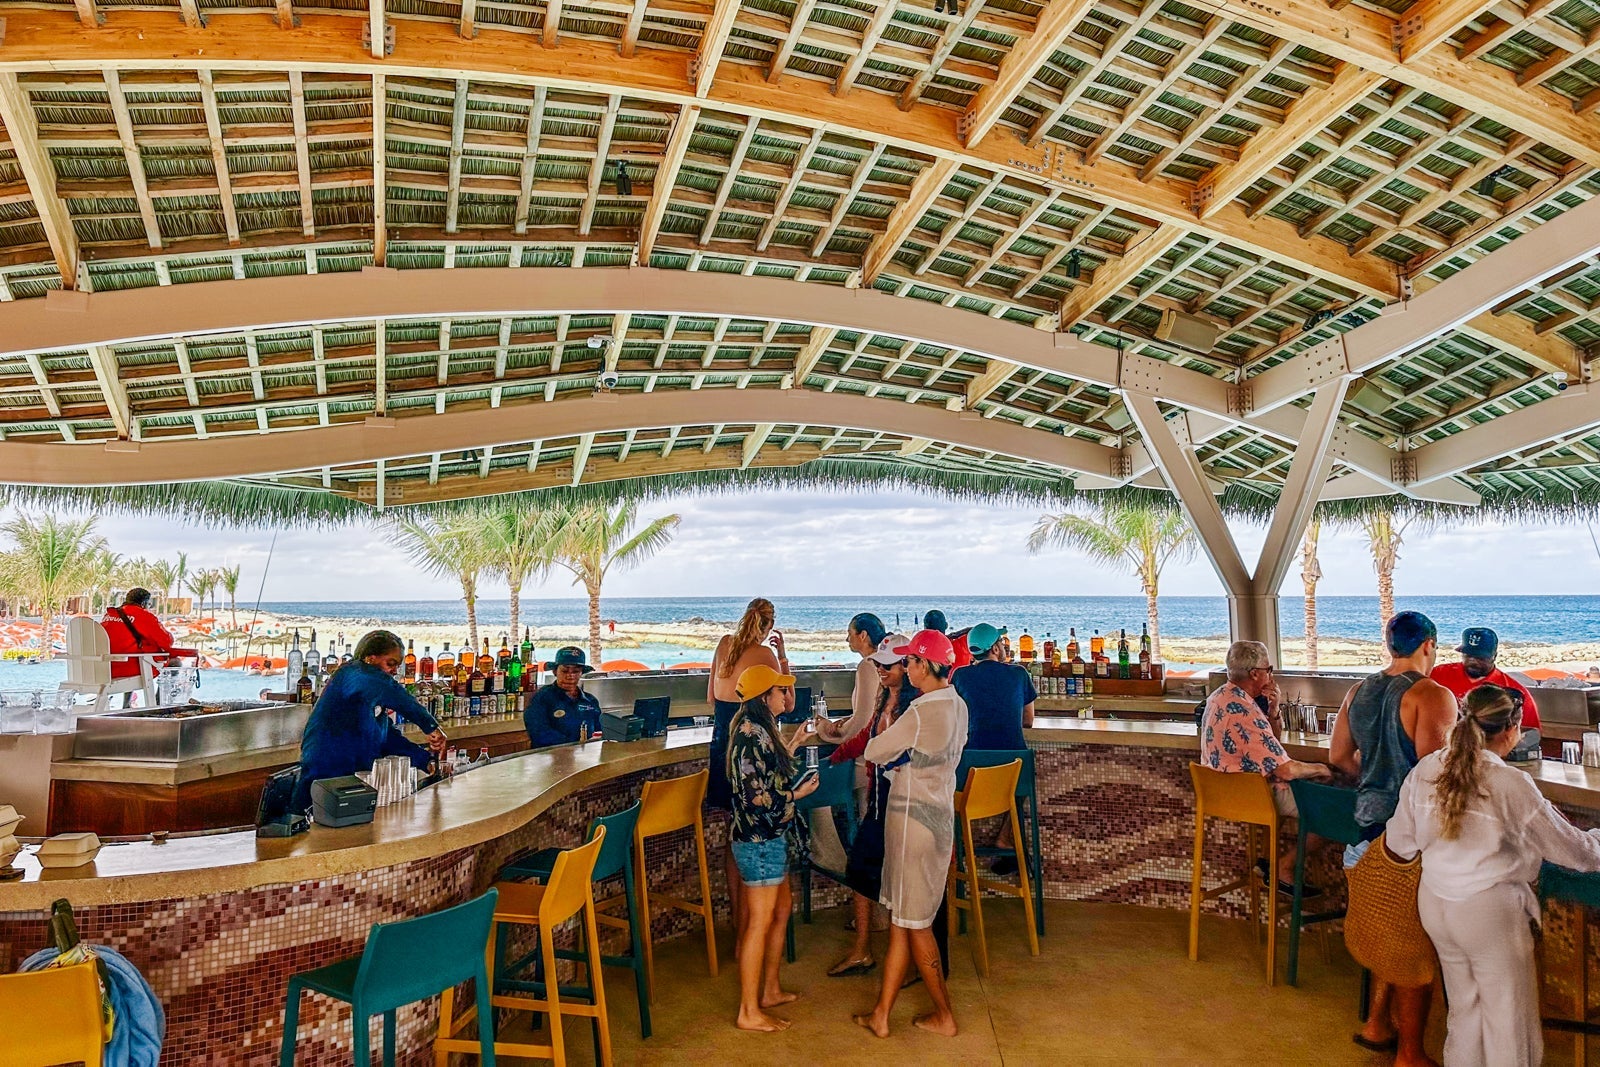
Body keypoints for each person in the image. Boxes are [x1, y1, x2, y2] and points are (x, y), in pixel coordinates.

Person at [1388, 685, 1600, 1066]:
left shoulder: (1427, 769)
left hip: (1436, 903)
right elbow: (1574, 852)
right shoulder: (1509, 784)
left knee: (1465, 1010)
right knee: (1508, 1018)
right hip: (1488, 912)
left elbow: (1400, 842)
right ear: (1512, 729)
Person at [1330, 610, 1458, 1064]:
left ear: (1390, 646)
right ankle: (1410, 1053)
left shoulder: (1357, 691)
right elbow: (1435, 774)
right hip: (1409, 837)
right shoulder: (1433, 694)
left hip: (1365, 830)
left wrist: (1376, 780)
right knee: (1414, 944)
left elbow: (1340, 756)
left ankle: (1377, 1023)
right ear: (1428, 645)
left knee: (1390, 931)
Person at [855, 629, 966, 1040]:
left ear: (923, 665)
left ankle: (944, 1014)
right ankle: (881, 1014)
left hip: (910, 826)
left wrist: (896, 751)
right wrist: (912, 761)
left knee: (917, 924)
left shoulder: (920, 712)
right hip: (938, 819)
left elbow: (873, 750)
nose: (906, 667)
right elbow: (941, 757)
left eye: (911, 661)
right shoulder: (958, 705)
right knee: (904, 921)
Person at [727, 663, 819, 1032]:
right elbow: (755, 797)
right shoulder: (751, 735)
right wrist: (797, 794)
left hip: (768, 838)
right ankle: (748, 1010)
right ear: (765, 696)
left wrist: (794, 742)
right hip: (759, 841)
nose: (787, 696)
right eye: (781, 690)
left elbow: (765, 773)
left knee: (781, 909)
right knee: (760, 922)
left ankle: (769, 990)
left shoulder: (762, 731)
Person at [1200, 641, 1333, 892]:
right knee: (1334, 812)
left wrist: (1273, 709)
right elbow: (1285, 769)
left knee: (1286, 792)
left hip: (1221, 795)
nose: (1271, 675)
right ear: (1255, 674)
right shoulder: (1244, 709)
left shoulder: (1219, 696)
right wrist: (1321, 768)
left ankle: (1266, 862)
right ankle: (1284, 867)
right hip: (1252, 798)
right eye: (1268, 669)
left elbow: (1268, 745)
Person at [824, 634, 915, 978]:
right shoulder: (884, 700)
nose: (880, 669)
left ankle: (902, 960)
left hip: (902, 804)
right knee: (860, 872)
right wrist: (836, 757)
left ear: (907, 667)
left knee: (899, 883)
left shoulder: (915, 706)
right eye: (878, 664)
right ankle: (863, 952)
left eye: (888, 665)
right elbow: (866, 738)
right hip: (879, 803)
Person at [709, 598, 794, 931]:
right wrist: (783, 658)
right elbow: (786, 704)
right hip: (750, 746)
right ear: (769, 626)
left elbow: (711, 698)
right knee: (751, 836)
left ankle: (738, 923)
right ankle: (755, 925)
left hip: (721, 745)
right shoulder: (766, 656)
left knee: (735, 835)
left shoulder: (724, 645)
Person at [293, 630, 449, 812]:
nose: (394, 671)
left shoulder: (372, 697)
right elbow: (391, 689)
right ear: (370, 658)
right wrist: (430, 726)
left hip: (356, 780)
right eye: (390, 664)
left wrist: (425, 760)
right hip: (326, 775)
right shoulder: (350, 674)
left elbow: (387, 738)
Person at [1430, 627, 1541, 730]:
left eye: (1480, 657)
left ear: (1495, 656)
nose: (1473, 661)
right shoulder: (1438, 675)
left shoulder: (1514, 692)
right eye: (1468, 655)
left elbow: (1531, 733)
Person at [952, 622, 1034, 749]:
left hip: (973, 759)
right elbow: (1028, 721)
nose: (1004, 646)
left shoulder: (960, 676)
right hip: (1013, 760)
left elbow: (955, 719)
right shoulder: (1019, 673)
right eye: (1001, 642)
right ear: (995, 649)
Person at [524, 646, 602, 748]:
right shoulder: (541, 697)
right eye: (565, 671)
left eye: (575, 671)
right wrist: (574, 747)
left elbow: (600, 731)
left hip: (585, 758)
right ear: (555, 672)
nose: (570, 676)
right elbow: (538, 733)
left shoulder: (590, 701)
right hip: (549, 758)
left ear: (581, 673)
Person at [102, 588, 176, 680]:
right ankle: (160, 695)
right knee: (174, 662)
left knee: (134, 650)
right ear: (143, 603)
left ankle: (128, 694)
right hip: (127, 668)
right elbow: (166, 642)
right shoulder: (144, 616)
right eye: (149, 604)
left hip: (103, 666)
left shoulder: (109, 615)